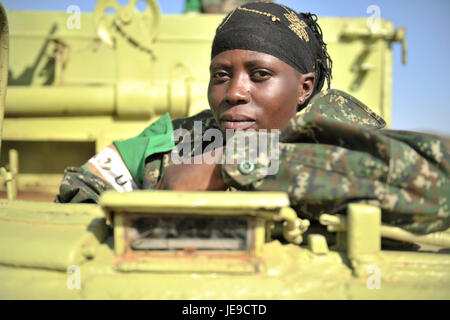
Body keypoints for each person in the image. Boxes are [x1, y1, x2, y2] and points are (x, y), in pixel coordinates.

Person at [56, 2, 449, 235]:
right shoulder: (173, 140)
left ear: (305, 88)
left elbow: (439, 186)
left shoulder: (342, 133)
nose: (234, 93)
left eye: (260, 75)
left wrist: (230, 166)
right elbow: (77, 194)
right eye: (220, 76)